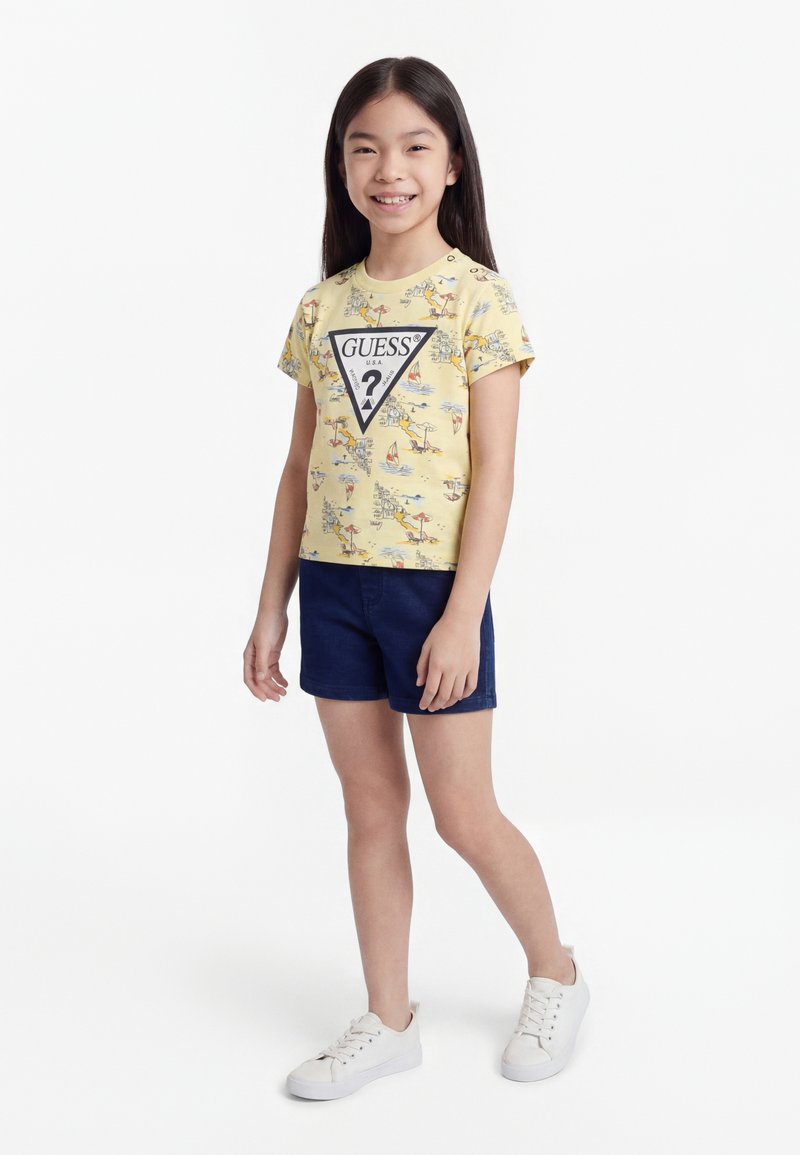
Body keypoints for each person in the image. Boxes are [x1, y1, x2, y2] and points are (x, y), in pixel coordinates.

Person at [244, 55, 590, 1101]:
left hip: (431, 594)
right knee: (369, 810)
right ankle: (388, 1019)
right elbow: (298, 467)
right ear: (341, 167)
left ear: (450, 166)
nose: (387, 169)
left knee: (462, 813)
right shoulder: (323, 307)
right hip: (330, 587)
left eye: (412, 147)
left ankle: (556, 971)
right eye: (365, 149)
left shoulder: (478, 300)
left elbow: (495, 475)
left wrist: (460, 614)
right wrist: (271, 608)